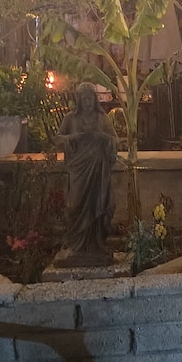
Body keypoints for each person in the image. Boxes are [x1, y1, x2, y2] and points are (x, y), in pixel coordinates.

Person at [53, 82, 117, 267]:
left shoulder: (102, 118)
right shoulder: (70, 119)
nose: (88, 102)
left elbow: (114, 139)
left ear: (94, 99)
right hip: (78, 170)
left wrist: (102, 137)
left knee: (97, 204)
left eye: (90, 98)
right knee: (75, 205)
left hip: (97, 169)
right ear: (78, 100)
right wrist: (73, 138)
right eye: (84, 98)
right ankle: (76, 245)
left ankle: (96, 245)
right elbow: (57, 139)